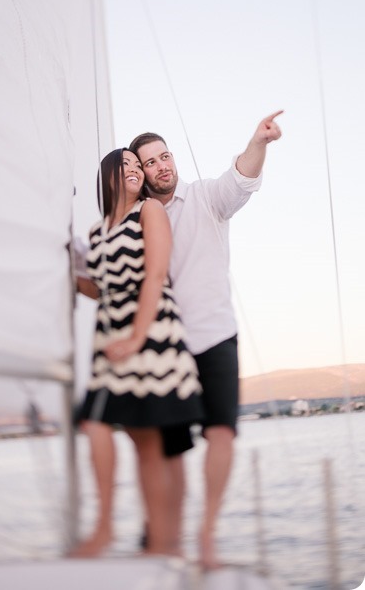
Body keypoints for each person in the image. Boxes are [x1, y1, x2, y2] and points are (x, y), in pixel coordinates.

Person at [128, 110, 283, 568]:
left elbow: (241, 180)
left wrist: (259, 141)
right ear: (140, 173)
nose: (162, 166)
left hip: (215, 335)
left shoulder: (205, 199)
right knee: (171, 447)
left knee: (221, 434)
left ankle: (207, 535)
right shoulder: (137, 220)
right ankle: (167, 537)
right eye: (150, 162)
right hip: (167, 346)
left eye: (165, 156)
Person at [71, 147, 204, 557]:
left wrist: (137, 337)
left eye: (136, 165)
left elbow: (156, 275)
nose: (133, 169)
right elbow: (99, 288)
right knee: (95, 426)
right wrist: (74, 273)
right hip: (110, 339)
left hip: (153, 336)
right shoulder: (96, 231)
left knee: (148, 443)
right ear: (108, 175)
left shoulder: (149, 211)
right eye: (124, 164)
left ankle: (162, 546)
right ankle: (105, 526)